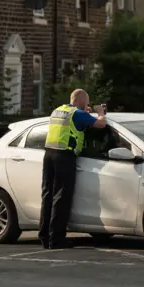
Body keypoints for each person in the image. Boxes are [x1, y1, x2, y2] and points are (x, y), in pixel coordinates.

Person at [39, 89, 107, 249]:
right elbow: (101, 124)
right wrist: (100, 112)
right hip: (64, 157)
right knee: (61, 197)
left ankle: (44, 236)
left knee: (47, 195)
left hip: (49, 154)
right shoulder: (77, 114)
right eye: (87, 102)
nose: (87, 105)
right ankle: (56, 239)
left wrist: (85, 112)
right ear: (82, 101)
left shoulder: (59, 111)